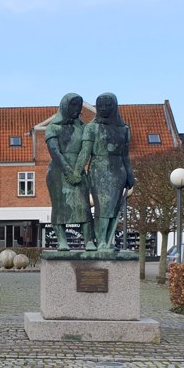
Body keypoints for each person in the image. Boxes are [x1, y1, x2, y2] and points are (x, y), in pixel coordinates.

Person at [70, 92, 135, 250]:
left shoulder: (124, 129)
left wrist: (130, 174)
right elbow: (85, 152)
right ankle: (101, 241)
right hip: (99, 170)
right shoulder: (91, 128)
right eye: (100, 105)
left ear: (114, 106)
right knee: (103, 206)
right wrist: (77, 171)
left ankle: (108, 241)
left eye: (108, 105)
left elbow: (125, 156)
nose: (104, 108)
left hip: (118, 171)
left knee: (114, 208)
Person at [46, 93, 95, 251]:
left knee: (84, 206)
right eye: (72, 105)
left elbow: (86, 150)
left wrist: (77, 171)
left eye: (78, 106)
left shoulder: (84, 128)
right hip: (58, 171)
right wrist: (68, 172)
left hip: (78, 170)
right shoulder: (53, 128)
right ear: (64, 107)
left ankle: (89, 241)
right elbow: (55, 152)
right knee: (60, 206)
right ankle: (62, 241)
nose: (76, 109)